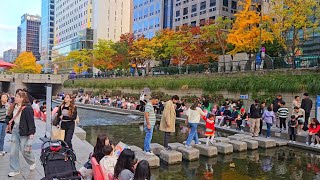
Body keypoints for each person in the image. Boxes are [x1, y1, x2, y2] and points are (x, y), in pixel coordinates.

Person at [6, 91, 36, 177]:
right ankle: (15, 169)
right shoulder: (13, 106)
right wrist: (8, 121)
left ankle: (32, 161)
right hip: (15, 130)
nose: (15, 98)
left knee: (24, 150)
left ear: (22, 98)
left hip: (24, 131)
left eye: (17, 96)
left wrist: (31, 133)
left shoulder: (27, 108)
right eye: (15, 96)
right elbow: (9, 116)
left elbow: (31, 122)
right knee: (13, 151)